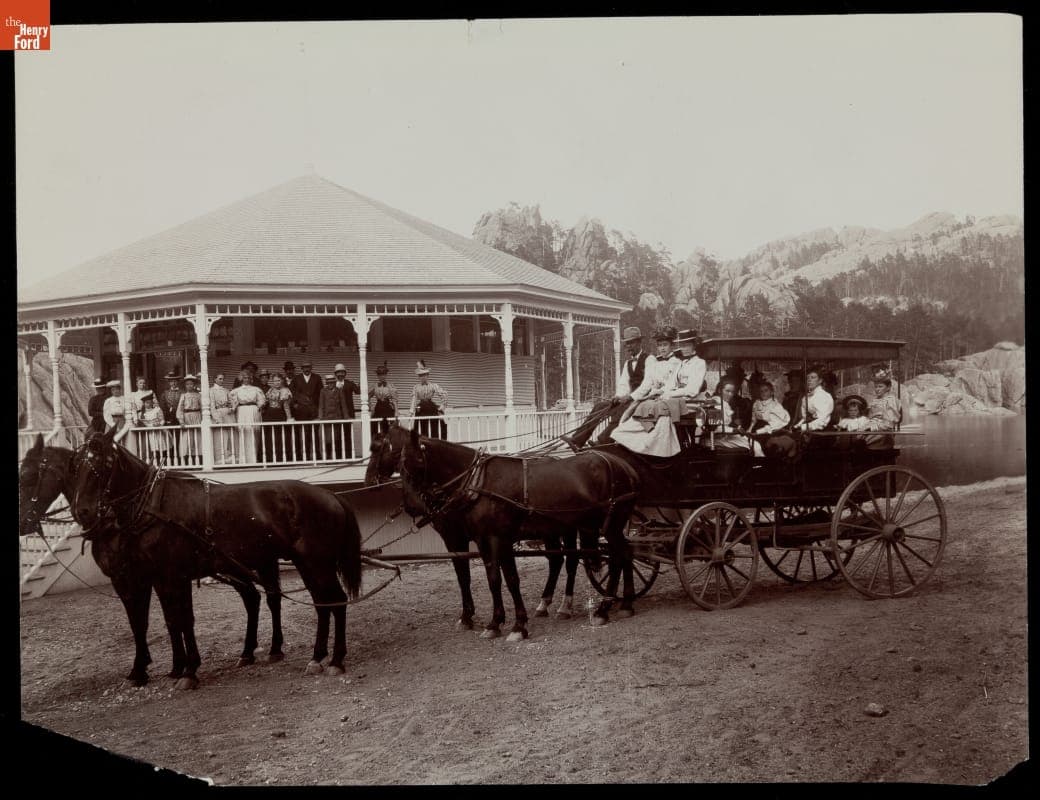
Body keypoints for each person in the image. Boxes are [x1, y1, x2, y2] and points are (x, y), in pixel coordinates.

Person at [561, 326, 656, 451]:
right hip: (629, 399)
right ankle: (578, 440)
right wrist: (619, 396)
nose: (628, 346)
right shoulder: (628, 363)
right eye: (627, 344)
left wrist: (630, 397)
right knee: (599, 406)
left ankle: (602, 441)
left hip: (643, 400)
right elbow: (623, 384)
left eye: (631, 343)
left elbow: (648, 384)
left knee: (622, 410)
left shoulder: (649, 359)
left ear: (639, 342)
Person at [609, 326, 683, 457]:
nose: (662, 348)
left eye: (665, 345)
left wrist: (657, 392)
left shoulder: (676, 362)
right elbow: (648, 381)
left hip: (666, 396)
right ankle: (616, 439)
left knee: (636, 409)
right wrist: (620, 396)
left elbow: (673, 383)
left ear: (672, 346)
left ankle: (625, 442)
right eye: (660, 345)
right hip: (652, 396)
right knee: (613, 408)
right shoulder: (656, 363)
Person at [229, 370, 267, 464]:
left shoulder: (256, 389)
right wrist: (233, 408)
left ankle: (253, 458)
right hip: (242, 411)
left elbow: (262, 401)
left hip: (253, 411)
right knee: (243, 432)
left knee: (253, 433)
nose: (247, 380)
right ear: (241, 379)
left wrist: (259, 406)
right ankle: (243, 459)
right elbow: (233, 403)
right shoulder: (236, 391)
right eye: (244, 378)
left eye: (249, 378)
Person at [706, 376, 753, 451]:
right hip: (713, 440)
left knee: (750, 441)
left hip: (724, 437)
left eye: (732, 392)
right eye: (727, 391)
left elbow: (726, 424)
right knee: (751, 444)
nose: (730, 394)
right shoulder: (715, 404)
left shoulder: (725, 404)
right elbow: (714, 429)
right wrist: (734, 430)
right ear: (719, 390)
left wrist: (738, 428)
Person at [289, 359, 322, 459]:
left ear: (311, 368)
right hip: (301, 411)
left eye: (308, 367)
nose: (306, 369)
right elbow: (291, 392)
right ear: (301, 369)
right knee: (303, 433)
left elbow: (321, 393)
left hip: (313, 410)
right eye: (304, 367)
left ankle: (317, 455)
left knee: (314, 433)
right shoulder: (296, 379)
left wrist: (319, 408)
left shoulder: (317, 378)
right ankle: (304, 456)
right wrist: (295, 404)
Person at [409, 360, 448, 440]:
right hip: (421, 408)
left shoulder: (433, 386)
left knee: (434, 427)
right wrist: (411, 411)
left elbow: (444, 395)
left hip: (431, 407)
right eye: (420, 375)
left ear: (428, 375)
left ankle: (435, 441)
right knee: (422, 428)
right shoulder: (416, 387)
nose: (422, 377)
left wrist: (442, 406)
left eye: (424, 375)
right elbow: (414, 399)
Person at [262, 372, 295, 462]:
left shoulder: (285, 390)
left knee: (280, 437)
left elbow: (286, 406)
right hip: (269, 415)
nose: (276, 382)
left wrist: (289, 418)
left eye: (278, 380)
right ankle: (270, 459)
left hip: (279, 414)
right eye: (274, 381)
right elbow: (266, 402)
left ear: (282, 381)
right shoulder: (270, 390)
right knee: (269, 437)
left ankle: (281, 459)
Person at [865, 370, 901, 449]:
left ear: (888, 388)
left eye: (880, 386)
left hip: (883, 433)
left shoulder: (891, 400)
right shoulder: (875, 400)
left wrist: (871, 427)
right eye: (876, 386)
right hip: (871, 429)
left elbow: (889, 423)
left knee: (862, 444)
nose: (877, 389)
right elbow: (870, 417)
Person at [318, 373, 349, 460]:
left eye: (332, 382)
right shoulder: (323, 391)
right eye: (329, 383)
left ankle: (337, 456)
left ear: (335, 382)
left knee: (337, 438)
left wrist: (346, 416)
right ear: (327, 383)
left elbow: (343, 404)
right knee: (328, 439)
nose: (331, 384)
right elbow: (321, 405)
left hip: (337, 417)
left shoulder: (339, 391)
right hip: (327, 418)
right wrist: (320, 416)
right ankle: (328, 457)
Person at [333, 363, 362, 457]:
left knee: (347, 435)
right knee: (337, 436)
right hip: (336, 414)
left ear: (345, 374)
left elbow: (358, 391)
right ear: (335, 374)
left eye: (342, 372)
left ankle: (349, 455)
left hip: (348, 414)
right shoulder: (332, 385)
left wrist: (360, 383)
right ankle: (338, 456)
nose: (340, 374)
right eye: (338, 372)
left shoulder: (350, 383)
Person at [175, 374, 203, 466]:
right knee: (187, 438)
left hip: (197, 416)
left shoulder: (198, 395)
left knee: (197, 437)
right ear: (185, 386)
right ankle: (186, 458)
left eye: (191, 384)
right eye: (187, 384)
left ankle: (198, 457)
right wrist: (181, 420)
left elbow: (203, 407)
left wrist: (203, 419)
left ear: (194, 385)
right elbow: (180, 409)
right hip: (187, 417)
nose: (189, 386)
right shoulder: (183, 395)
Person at [209, 372, 234, 465]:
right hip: (218, 414)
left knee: (229, 436)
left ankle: (228, 457)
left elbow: (232, 401)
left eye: (223, 379)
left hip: (227, 414)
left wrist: (231, 408)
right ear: (215, 379)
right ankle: (219, 458)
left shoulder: (226, 390)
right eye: (220, 379)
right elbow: (211, 405)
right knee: (219, 436)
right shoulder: (211, 390)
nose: (221, 380)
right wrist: (216, 417)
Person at [138, 389, 169, 464]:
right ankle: (153, 463)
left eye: (150, 402)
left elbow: (162, 420)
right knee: (151, 448)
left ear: (152, 403)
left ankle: (163, 462)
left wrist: (159, 424)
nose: (148, 404)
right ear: (144, 404)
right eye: (146, 403)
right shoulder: (141, 413)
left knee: (161, 446)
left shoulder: (157, 410)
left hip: (158, 431)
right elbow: (142, 423)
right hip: (149, 433)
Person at [369, 360, 398, 439]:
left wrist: (396, 412)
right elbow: (368, 396)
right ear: (377, 376)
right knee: (373, 425)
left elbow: (394, 399)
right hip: (378, 407)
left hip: (387, 407)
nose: (382, 376)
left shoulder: (390, 386)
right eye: (380, 374)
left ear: (386, 375)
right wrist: (371, 408)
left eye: (383, 374)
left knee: (391, 426)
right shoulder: (374, 386)